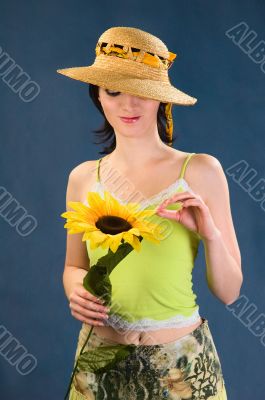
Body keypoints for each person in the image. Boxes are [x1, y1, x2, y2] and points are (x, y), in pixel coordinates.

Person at [57, 26, 242, 399]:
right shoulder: (82, 178)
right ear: (98, 96)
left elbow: (230, 292)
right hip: (99, 364)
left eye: (142, 92)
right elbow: (74, 266)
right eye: (114, 91)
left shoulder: (201, 171)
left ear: (161, 100)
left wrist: (211, 234)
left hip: (183, 369)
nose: (129, 105)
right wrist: (75, 288)